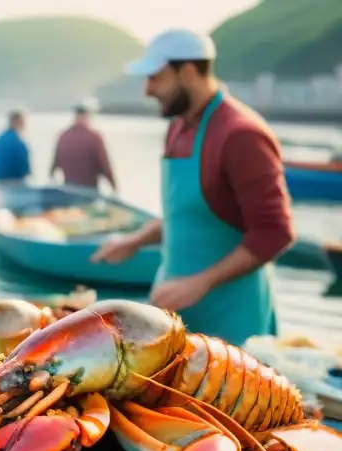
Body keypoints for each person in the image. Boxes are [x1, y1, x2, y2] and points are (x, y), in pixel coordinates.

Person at [91, 29, 294, 345]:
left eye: (155, 78)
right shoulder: (177, 127)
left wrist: (200, 283)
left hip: (233, 323)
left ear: (187, 71)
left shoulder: (242, 134)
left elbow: (275, 233)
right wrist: (135, 240)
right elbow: (189, 214)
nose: (148, 90)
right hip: (178, 314)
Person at [50, 99, 117, 191]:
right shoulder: (94, 138)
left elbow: (54, 165)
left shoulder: (63, 136)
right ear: (87, 116)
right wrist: (114, 187)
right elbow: (105, 166)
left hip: (68, 191)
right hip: (89, 193)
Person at [0, 110, 31, 183]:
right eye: (22, 122)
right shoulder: (19, 144)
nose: (24, 125)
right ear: (16, 121)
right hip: (15, 188)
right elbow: (25, 171)